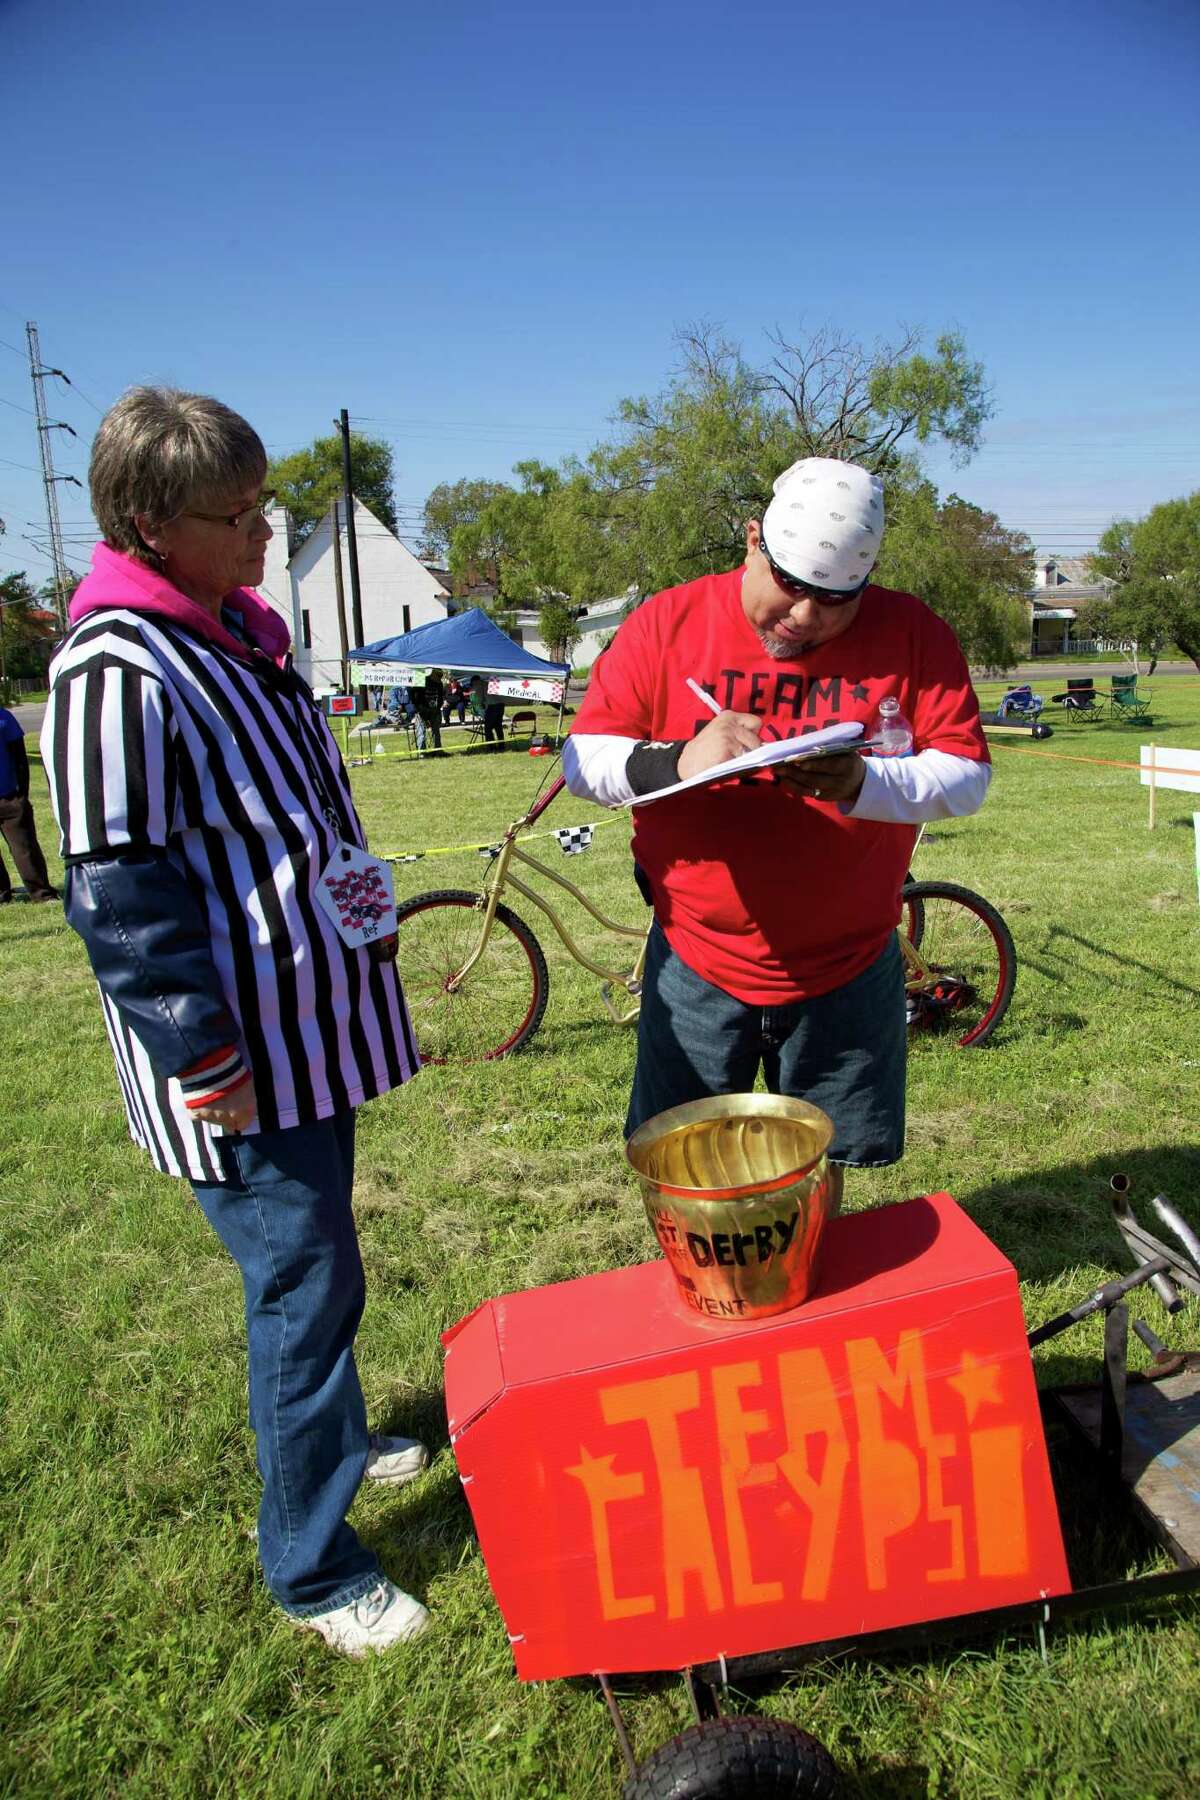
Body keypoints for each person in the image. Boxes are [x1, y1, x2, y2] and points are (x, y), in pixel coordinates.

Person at [41, 386, 431, 1659]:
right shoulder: (115, 669)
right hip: (242, 1061)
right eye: (238, 513)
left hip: (308, 1038)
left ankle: (339, 1441)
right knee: (304, 1287)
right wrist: (207, 1055)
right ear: (150, 525)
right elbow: (119, 894)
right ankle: (314, 1567)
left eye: (265, 504)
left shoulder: (238, 631)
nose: (265, 532)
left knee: (325, 1268)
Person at [563, 456, 991, 1213]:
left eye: (835, 600)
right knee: (689, 1166)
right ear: (752, 540)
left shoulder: (913, 633)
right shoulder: (668, 621)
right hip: (698, 956)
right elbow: (583, 760)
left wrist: (865, 784)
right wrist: (677, 760)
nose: (804, 616)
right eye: (790, 586)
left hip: (850, 960)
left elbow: (966, 775)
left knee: (823, 1167)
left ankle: (811, 1270)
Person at [0, 703, 60, 904]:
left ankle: (2, 894)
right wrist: (22, 794)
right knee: (24, 848)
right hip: (10, 796)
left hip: (9, 796)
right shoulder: (4, 718)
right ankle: (41, 893)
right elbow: (20, 759)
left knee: (23, 848)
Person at [413, 668, 444, 751]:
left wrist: (438, 708)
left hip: (434, 711)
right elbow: (414, 696)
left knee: (436, 732)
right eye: (438, 677)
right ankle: (422, 752)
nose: (439, 679)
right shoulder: (421, 680)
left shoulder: (439, 683)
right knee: (421, 732)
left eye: (440, 677)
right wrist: (418, 709)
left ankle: (438, 750)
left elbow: (441, 697)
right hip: (421, 710)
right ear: (433, 674)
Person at [469, 674, 505, 746]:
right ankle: (501, 745)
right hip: (501, 705)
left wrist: (476, 706)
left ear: (474, 682)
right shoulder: (487, 683)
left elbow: (480, 699)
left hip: (493, 706)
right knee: (498, 727)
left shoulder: (479, 685)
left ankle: (491, 746)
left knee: (488, 728)